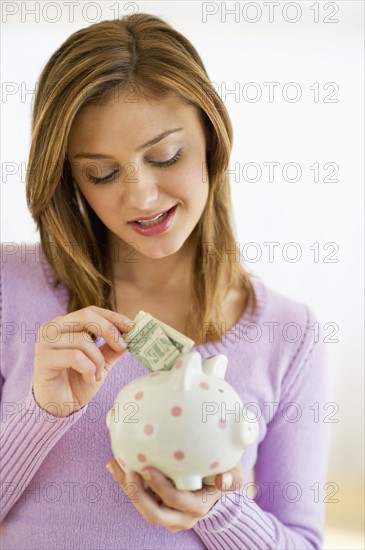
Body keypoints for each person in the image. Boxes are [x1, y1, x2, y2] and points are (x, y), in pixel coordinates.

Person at [0, 13, 330, 550]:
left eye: (165, 156)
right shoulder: (9, 288)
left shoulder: (289, 334)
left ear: (212, 137)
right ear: (69, 178)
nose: (142, 198)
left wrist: (217, 511)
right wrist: (41, 412)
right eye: (101, 173)